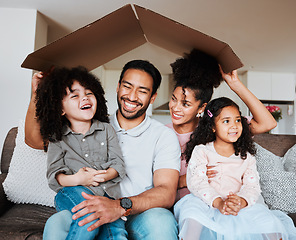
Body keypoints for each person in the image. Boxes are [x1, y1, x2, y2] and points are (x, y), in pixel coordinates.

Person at [25, 60, 181, 239]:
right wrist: (39, 94)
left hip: (137, 213)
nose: (132, 96)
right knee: (56, 222)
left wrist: (118, 206)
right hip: (90, 202)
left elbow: (166, 192)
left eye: (142, 91)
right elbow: (33, 140)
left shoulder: (163, 135)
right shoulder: (90, 122)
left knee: (162, 221)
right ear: (118, 86)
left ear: (152, 97)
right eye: (127, 86)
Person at [174, 97, 296, 240]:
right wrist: (218, 202)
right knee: (192, 215)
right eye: (226, 121)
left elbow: (252, 186)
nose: (234, 126)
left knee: (269, 222)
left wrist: (241, 201)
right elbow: (197, 183)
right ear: (212, 126)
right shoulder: (202, 151)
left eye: (238, 120)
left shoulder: (246, 155)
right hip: (207, 203)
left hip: (239, 204)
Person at [166, 49, 277, 202]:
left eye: (185, 104)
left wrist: (236, 84)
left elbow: (268, 123)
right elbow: (152, 181)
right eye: (173, 99)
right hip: (184, 207)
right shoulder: (162, 133)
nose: (175, 108)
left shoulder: (219, 127)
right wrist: (187, 179)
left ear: (201, 108)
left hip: (221, 206)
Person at [35, 66, 126, 239]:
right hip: (73, 192)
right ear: (60, 109)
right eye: (75, 95)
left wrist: (104, 176)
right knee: (88, 220)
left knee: (117, 233)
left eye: (89, 93)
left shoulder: (107, 130)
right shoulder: (58, 138)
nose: (84, 98)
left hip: (108, 196)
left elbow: (118, 164)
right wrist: (79, 179)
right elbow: (55, 176)